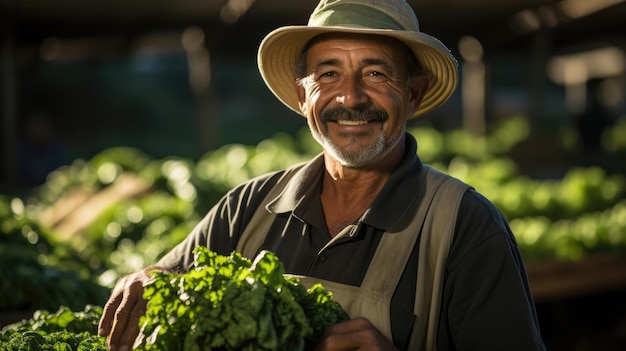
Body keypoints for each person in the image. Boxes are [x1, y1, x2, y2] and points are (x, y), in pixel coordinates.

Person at [98, 0, 546, 350]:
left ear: (413, 94)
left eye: (375, 73)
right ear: (302, 95)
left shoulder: (465, 226)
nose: (350, 98)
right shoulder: (249, 207)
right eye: (328, 74)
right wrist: (147, 276)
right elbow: (167, 275)